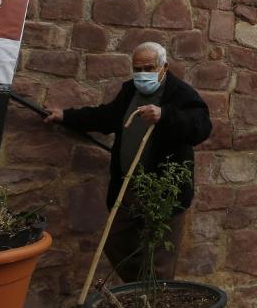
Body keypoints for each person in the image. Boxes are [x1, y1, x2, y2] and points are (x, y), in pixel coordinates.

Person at [45, 41, 212, 282]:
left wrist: (165, 115)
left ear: (164, 67)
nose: (142, 74)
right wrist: (66, 117)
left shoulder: (180, 93)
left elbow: (201, 126)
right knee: (114, 241)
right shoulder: (130, 91)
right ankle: (141, 289)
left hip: (163, 191)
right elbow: (105, 117)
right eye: (138, 68)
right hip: (129, 187)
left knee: (161, 258)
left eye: (148, 68)